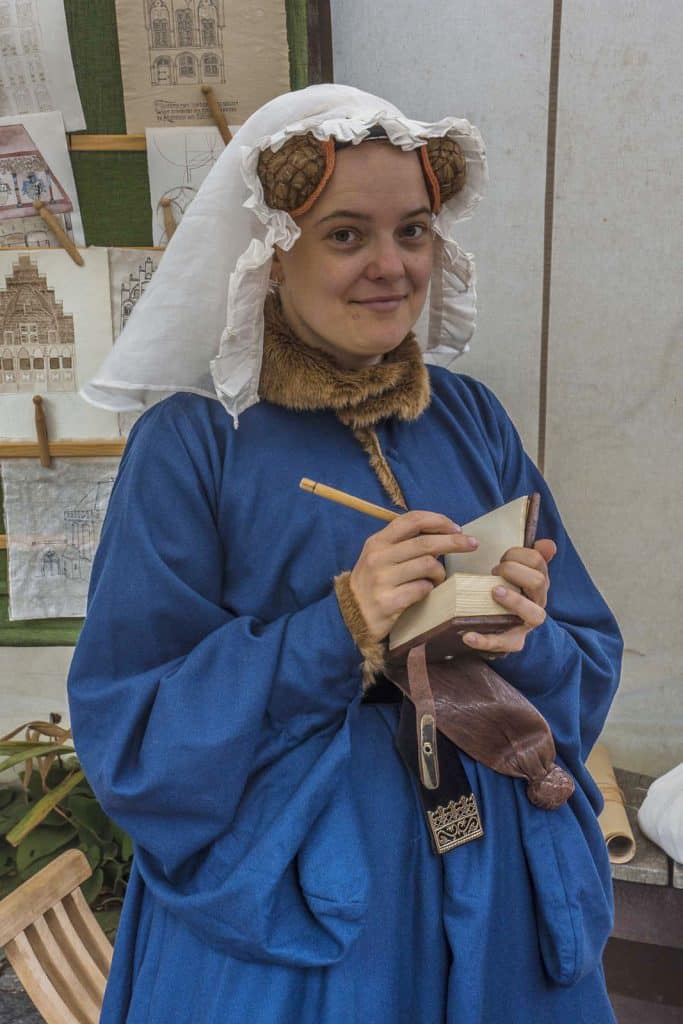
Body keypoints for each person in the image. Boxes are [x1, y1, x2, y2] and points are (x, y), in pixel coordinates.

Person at [68, 84, 623, 1023]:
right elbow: (132, 731)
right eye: (344, 235)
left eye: (412, 231)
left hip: (497, 891)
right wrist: (341, 625)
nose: (390, 266)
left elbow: (586, 656)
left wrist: (517, 629)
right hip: (309, 915)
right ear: (271, 255)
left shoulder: (469, 417)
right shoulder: (195, 443)